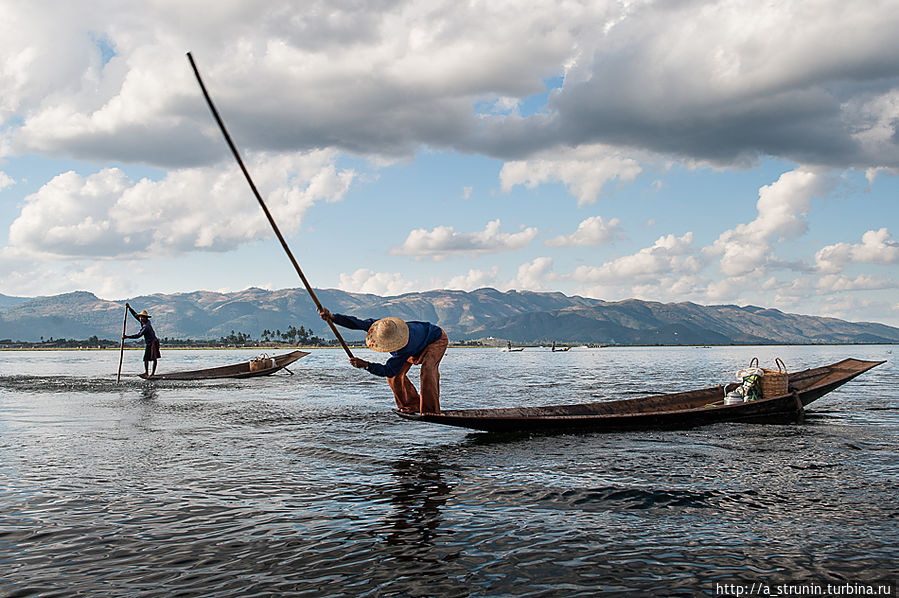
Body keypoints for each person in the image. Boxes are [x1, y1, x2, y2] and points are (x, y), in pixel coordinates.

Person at [319, 308, 448, 414]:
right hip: (416, 345)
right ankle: (412, 405)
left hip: (435, 340)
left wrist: (366, 365)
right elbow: (357, 323)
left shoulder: (404, 347)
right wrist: (333, 317)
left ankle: (430, 411)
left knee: (427, 370)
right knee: (394, 378)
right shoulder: (382, 326)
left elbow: (389, 370)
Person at [122, 302, 160, 377]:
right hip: (148, 343)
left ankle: (152, 374)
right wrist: (129, 308)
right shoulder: (142, 322)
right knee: (146, 358)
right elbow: (135, 315)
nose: (141, 318)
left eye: (142, 317)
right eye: (140, 317)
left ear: (146, 318)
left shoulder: (146, 326)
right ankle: (146, 372)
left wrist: (127, 337)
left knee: (154, 358)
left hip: (153, 342)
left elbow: (138, 335)